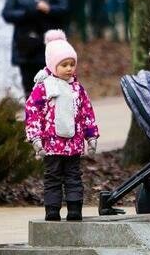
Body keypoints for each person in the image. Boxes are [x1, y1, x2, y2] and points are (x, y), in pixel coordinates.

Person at [25, 30, 99, 222]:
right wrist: (35, 138)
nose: (69, 69)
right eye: (64, 65)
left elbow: (86, 113)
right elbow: (33, 113)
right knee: (52, 178)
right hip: (51, 144)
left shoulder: (77, 89)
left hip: (73, 144)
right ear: (52, 65)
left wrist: (91, 136)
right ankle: (52, 209)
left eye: (72, 64)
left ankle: (75, 208)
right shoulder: (44, 88)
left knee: (74, 177)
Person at [3, 0, 70, 95]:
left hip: (50, 46)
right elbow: (7, 13)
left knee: (52, 85)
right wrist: (27, 13)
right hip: (26, 47)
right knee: (30, 86)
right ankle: (33, 113)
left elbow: (64, 8)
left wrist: (49, 9)